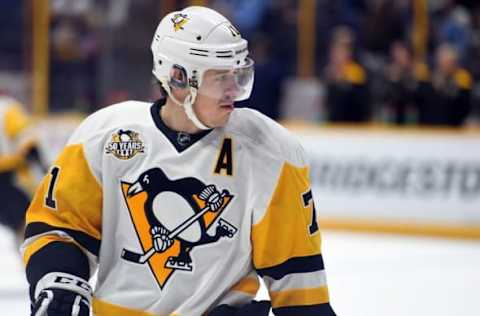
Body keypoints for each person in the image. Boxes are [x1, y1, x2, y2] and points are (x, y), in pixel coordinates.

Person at [22, 6, 336, 316]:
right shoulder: (105, 134)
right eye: (220, 78)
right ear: (177, 78)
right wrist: (60, 278)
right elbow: (59, 224)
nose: (234, 90)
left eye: (238, 74)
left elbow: (298, 279)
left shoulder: (270, 151)